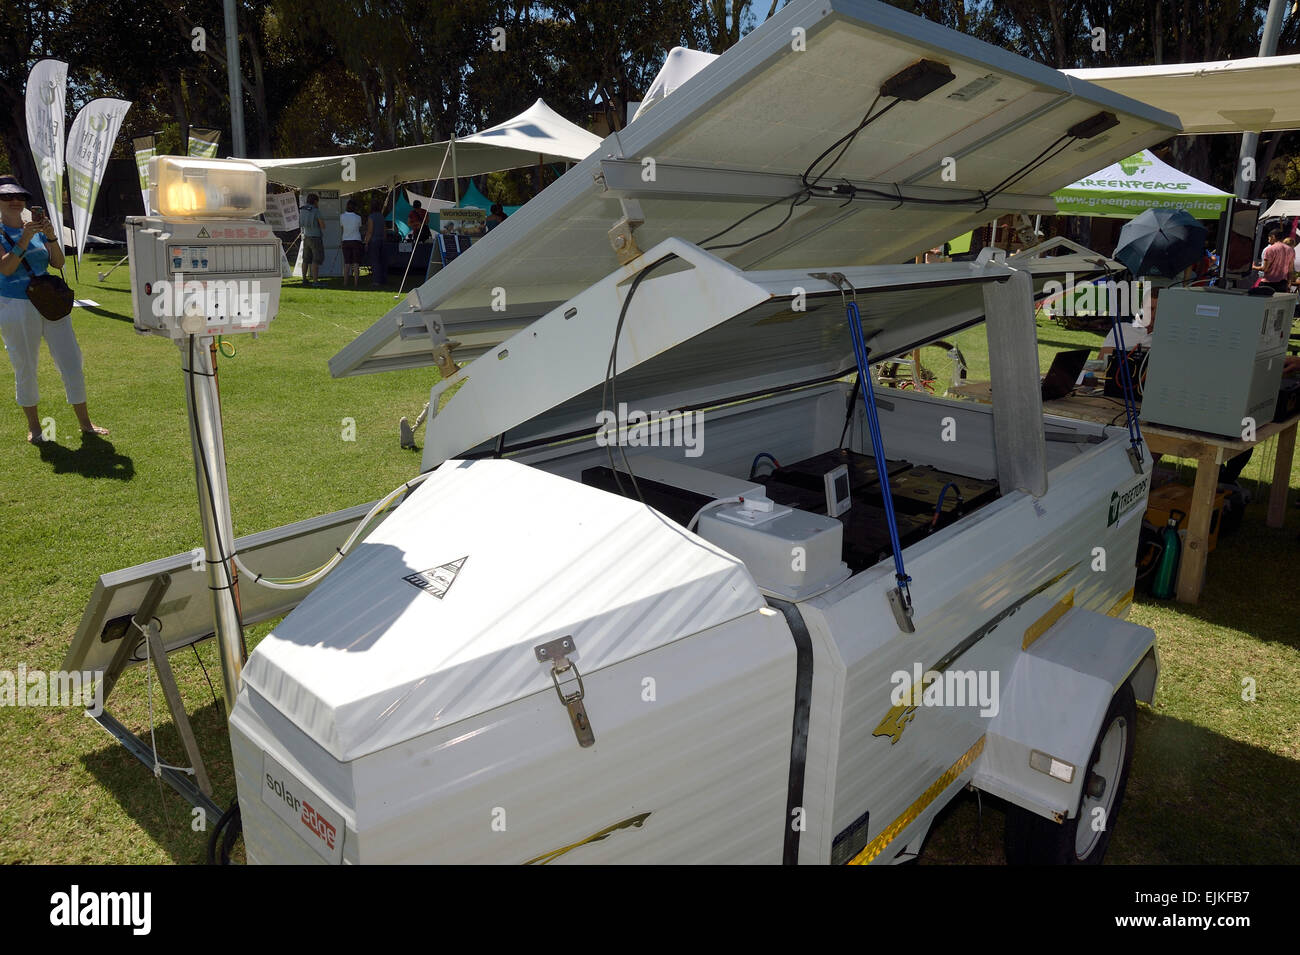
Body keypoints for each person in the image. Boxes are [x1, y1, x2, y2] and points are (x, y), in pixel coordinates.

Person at [0, 175, 107, 443]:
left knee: (71, 361)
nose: (15, 201)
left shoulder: (34, 229)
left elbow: (58, 263)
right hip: (16, 304)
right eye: (7, 197)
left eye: (20, 197)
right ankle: (34, 427)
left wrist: (50, 236)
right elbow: (6, 268)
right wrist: (24, 238)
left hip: (50, 303)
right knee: (25, 365)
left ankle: (86, 423)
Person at [299, 193, 328, 286]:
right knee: (316, 259)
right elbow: (323, 225)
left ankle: (304, 280)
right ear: (315, 201)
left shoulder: (302, 210)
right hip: (315, 237)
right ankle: (315, 281)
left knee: (305, 259)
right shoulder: (316, 211)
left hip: (306, 237)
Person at [364, 192, 389, 287]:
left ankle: (376, 281)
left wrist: (366, 242)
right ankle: (383, 279)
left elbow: (370, 231)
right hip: (382, 240)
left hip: (374, 241)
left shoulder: (371, 217)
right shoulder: (381, 216)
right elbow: (384, 230)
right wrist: (384, 239)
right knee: (382, 261)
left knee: (375, 261)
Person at [339, 199, 364, 288]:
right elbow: (359, 227)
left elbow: (342, 227)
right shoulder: (358, 217)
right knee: (356, 263)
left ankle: (345, 282)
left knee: (347, 263)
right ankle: (356, 283)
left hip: (345, 240)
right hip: (356, 240)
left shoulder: (342, 216)